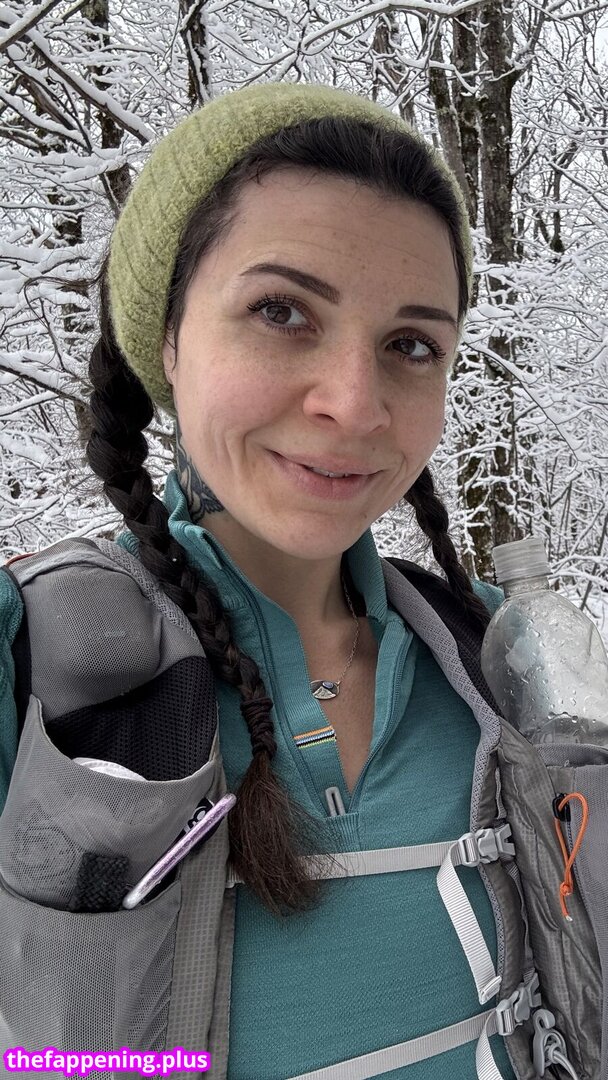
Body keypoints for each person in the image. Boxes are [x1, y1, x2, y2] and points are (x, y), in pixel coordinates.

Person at [0, 82, 517, 1079]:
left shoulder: (488, 653)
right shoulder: (35, 664)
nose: (354, 405)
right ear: (167, 340)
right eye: (281, 312)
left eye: (411, 345)